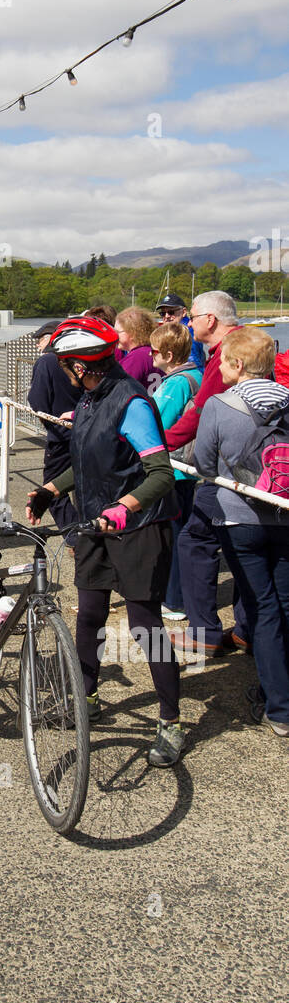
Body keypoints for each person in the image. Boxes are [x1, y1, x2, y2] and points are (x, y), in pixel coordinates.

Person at [25, 316, 185, 767]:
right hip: (95, 524)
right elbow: (88, 461)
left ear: (80, 366)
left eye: (64, 364)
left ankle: (170, 721)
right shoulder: (90, 398)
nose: (61, 371)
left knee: (144, 625)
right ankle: (87, 697)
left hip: (138, 527)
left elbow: (161, 475)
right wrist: (51, 490)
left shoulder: (131, 403)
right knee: (90, 614)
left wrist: (123, 508)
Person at [192, 327, 289, 737]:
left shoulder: (220, 404)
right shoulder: (287, 401)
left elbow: (203, 462)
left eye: (223, 363)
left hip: (240, 517)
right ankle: (276, 694)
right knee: (285, 606)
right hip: (284, 516)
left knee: (263, 609)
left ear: (237, 364)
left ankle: (280, 708)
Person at [163, 292, 249, 656]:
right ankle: (247, 629)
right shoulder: (248, 344)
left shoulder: (227, 354)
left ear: (210, 320)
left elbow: (202, 412)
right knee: (245, 549)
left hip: (232, 469)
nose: (189, 322)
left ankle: (204, 632)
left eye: (193, 317)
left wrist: (161, 442)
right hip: (258, 468)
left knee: (195, 540)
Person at [150, 321, 202, 621]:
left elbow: (160, 423)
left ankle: (174, 600)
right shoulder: (197, 376)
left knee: (173, 535)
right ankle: (179, 597)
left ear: (168, 355)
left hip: (176, 469)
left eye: (154, 351)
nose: (151, 356)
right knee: (183, 533)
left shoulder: (176, 384)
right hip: (188, 469)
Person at [27, 319, 79, 543]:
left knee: (52, 490)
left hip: (60, 436)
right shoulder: (78, 358)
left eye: (40, 339)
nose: (37, 344)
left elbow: (37, 400)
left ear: (50, 339)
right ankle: (89, 534)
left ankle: (77, 539)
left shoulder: (47, 361)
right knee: (83, 485)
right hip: (85, 432)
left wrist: (49, 422)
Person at [156, 292, 206, 371]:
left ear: (184, 312)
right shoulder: (176, 330)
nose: (166, 316)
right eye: (163, 313)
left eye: (171, 312)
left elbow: (193, 363)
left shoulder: (186, 333)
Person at [114, 307, 161, 390]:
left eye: (118, 332)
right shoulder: (154, 352)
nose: (115, 335)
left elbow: (119, 389)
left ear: (133, 333)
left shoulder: (136, 358)